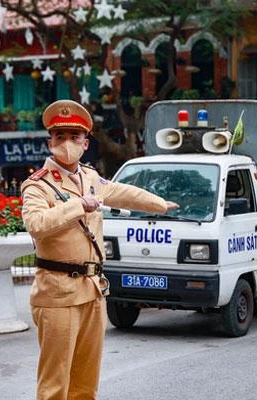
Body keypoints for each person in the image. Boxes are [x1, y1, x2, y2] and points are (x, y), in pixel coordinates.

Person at [21, 100, 178, 400]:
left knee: (85, 381)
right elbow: (36, 224)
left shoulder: (90, 177)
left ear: (85, 142)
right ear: (50, 141)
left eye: (74, 137)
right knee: (55, 384)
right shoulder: (37, 185)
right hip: (57, 292)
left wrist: (159, 203)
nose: (67, 143)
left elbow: (122, 192)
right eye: (60, 137)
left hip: (92, 290)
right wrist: (77, 205)